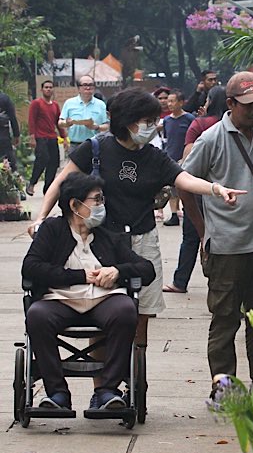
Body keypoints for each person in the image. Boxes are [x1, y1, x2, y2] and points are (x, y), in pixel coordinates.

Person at [29, 87, 246, 353]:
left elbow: (184, 179)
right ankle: (103, 389)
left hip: (143, 240)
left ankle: (135, 374)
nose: (153, 126)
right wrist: (40, 218)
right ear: (129, 122)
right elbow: (60, 183)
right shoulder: (96, 148)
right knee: (101, 311)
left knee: (142, 310)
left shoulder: (154, 157)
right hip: (104, 241)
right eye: (148, 121)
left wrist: (215, 189)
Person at [182, 72, 253, 401]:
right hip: (227, 246)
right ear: (230, 104)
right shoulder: (212, 139)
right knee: (226, 317)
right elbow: (184, 182)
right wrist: (202, 230)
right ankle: (223, 385)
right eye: (248, 105)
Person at [22, 172, 155, 411]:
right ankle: (57, 394)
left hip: (104, 300)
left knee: (125, 310)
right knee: (37, 315)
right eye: (97, 199)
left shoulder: (107, 233)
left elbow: (147, 269)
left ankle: (107, 391)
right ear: (75, 205)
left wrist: (116, 271)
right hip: (60, 299)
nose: (102, 205)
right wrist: (79, 276)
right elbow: (30, 267)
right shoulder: (53, 229)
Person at [162, 87, 226, 294]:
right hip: (226, 191)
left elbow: (188, 156)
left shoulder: (200, 124)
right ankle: (221, 284)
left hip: (198, 189)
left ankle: (180, 282)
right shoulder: (234, 125)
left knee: (191, 236)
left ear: (209, 101)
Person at [160, 90, 193, 227]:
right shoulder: (167, 120)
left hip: (186, 157)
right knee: (172, 188)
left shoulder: (189, 119)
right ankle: (174, 214)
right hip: (171, 156)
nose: (169, 104)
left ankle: (189, 212)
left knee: (185, 187)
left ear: (181, 102)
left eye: (173, 101)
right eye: (168, 101)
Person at [26, 81, 64, 196]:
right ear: (41, 90)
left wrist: (64, 137)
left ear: (53, 90)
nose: (48, 89)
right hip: (40, 137)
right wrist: (32, 137)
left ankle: (48, 189)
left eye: (50, 87)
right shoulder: (36, 103)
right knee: (42, 159)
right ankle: (32, 183)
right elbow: (31, 120)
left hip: (52, 137)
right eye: (46, 87)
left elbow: (58, 122)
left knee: (54, 163)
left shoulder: (55, 105)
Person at [59, 76, 108, 154]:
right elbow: (60, 123)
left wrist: (97, 127)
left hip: (94, 144)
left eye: (91, 85)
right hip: (75, 145)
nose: (88, 87)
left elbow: (107, 125)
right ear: (79, 88)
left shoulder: (101, 104)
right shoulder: (69, 103)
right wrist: (67, 123)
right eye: (85, 85)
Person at [0, 90, 21, 172]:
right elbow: (12, 118)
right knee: (8, 162)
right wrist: (16, 135)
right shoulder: (5, 98)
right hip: (3, 136)